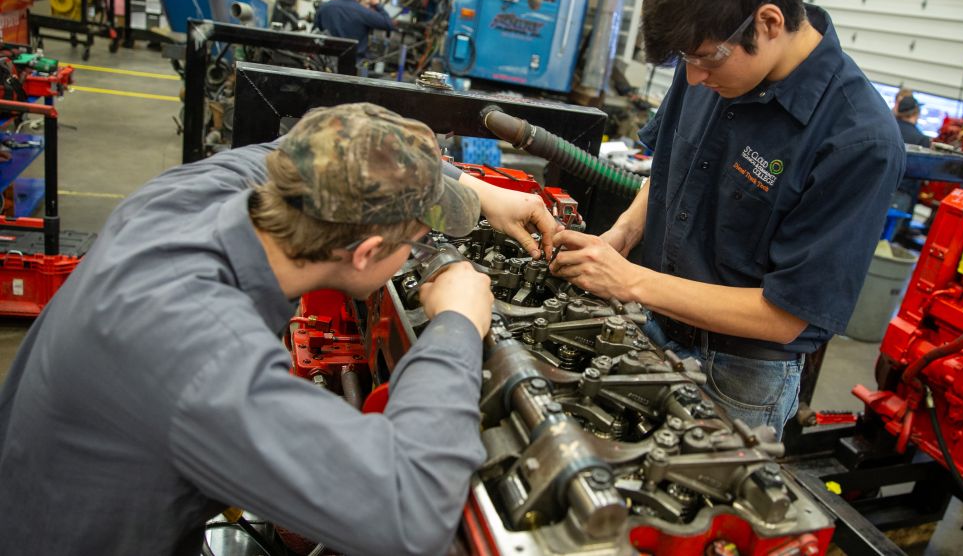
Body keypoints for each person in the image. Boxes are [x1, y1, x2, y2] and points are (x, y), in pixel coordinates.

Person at [0, 102, 559, 555]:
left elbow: (307, 141)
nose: (417, 252)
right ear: (365, 253)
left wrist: (478, 191)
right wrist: (457, 325)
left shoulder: (201, 192)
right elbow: (407, 512)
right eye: (414, 243)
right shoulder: (200, 353)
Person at [550, 0, 905, 438]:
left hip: (740, 376)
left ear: (768, 23)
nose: (693, 77)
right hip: (652, 320)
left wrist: (629, 282)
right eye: (684, 60)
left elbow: (786, 317)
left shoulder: (858, 140)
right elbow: (672, 171)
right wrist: (620, 238)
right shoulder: (710, 65)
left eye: (706, 59)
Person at [314, 0, 395, 63]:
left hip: (325, 64)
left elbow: (316, 31)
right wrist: (376, 3)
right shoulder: (363, 12)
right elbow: (388, 24)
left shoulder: (325, 7)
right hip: (352, 66)